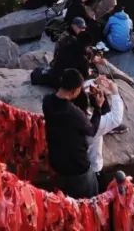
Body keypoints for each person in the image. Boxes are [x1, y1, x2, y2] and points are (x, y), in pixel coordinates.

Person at [42, 68, 103, 198]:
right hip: (77, 168)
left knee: (65, 200)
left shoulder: (47, 101)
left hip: (57, 163)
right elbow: (91, 130)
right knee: (90, 201)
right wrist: (98, 107)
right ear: (75, 90)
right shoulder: (73, 113)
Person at [86, 76, 125, 183]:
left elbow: (77, 88)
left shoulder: (70, 109)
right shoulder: (93, 124)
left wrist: (93, 82)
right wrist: (115, 93)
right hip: (91, 168)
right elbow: (116, 118)